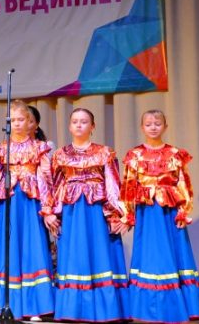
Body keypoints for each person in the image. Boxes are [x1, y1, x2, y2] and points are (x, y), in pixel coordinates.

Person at [121, 109, 199, 322]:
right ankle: (145, 309)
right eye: (148, 124)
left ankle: (177, 307)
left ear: (165, 126)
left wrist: (183, 211)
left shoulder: (174, 154)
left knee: (173, 253)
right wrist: (128, 215)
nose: (153, 127)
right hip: (147, 212)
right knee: (149, 255)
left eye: (157, 123)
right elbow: (128, 186)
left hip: (169, 213)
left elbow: (184, 183)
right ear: (142, 127)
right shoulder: (135, 155)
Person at [51, 108, 128, 322]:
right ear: (69, 126)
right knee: (74, 254)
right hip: (72, 211)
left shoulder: (105, 152)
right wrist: (51, 212)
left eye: (84, 121)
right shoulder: (60, 155)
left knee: (99, 252)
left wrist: (120, 214)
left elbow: (113, 184)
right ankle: (72, 310)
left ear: (92, 126)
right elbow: (55, 186)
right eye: (75, 121)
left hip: (96, 210)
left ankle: (106, 310)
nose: (79, 125)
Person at [0, 100, 57, 320]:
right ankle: (5, 305)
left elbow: (46, 179)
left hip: (30, 204)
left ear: (30, 122)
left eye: (21, 119)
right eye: (13, 120)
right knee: (8, 248)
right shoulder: (1, 149)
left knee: (31, 247)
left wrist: (47, 209)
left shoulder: (39, 147)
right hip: (8, 202)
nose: (17, 124)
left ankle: (34, 306)